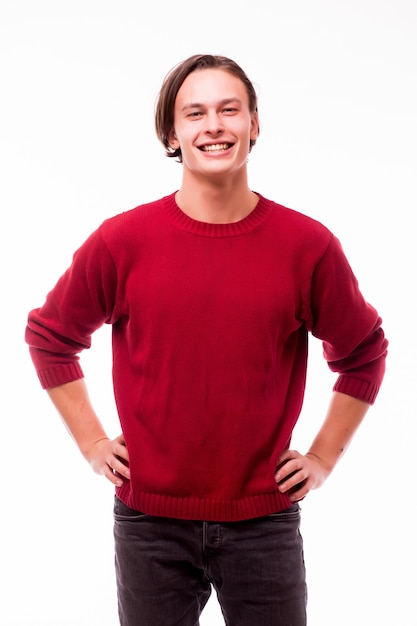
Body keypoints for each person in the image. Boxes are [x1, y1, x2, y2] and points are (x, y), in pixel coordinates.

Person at [25, 54, 388, 626]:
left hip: (264, 523)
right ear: (172, 133)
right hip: (149, 524)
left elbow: (364, 352)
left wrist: (322, 457)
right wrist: (94, 443)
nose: (213, 125)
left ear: (254, 124)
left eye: (229, 110)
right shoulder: (123, 242)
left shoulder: (307, 246)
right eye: (195, 113)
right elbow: (49, 336)